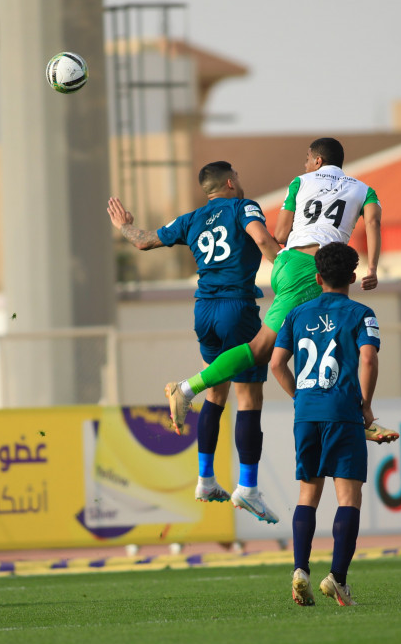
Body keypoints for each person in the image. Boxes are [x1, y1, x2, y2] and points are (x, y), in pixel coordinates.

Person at [163, 138, 398, 446]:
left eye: (306, 159)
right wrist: (372, 269)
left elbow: (281, 234)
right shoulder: (364, 189)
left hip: (291, 265)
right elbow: (374, 222)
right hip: (315, 271)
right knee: (268, 349)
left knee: (326, 341)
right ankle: (187, 388)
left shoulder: (300, 182)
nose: (304, 164)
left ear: (316, 160)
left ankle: (353, 415)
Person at [108, 161, 284, 523]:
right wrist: (286, 268)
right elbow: (263, 240)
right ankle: (247, 488)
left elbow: (143, 241)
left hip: (204, 311)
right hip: (237, 307)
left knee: (217, 393)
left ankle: (205, 479)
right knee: (249, 397)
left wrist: (124, 225)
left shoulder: (191, 219)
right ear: (231, 182)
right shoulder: (243, 207)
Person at [269, 242, 380, 607]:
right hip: (343, 413)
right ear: (351, 277)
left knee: (308, 495)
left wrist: (300, 397)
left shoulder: (296, 315)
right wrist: (366, 407)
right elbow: (367, 359)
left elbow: (276, 365)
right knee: (348, 498)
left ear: (317, 278)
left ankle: (300, 569)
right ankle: (338, 579)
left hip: (308, 413)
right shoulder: (362, 313)